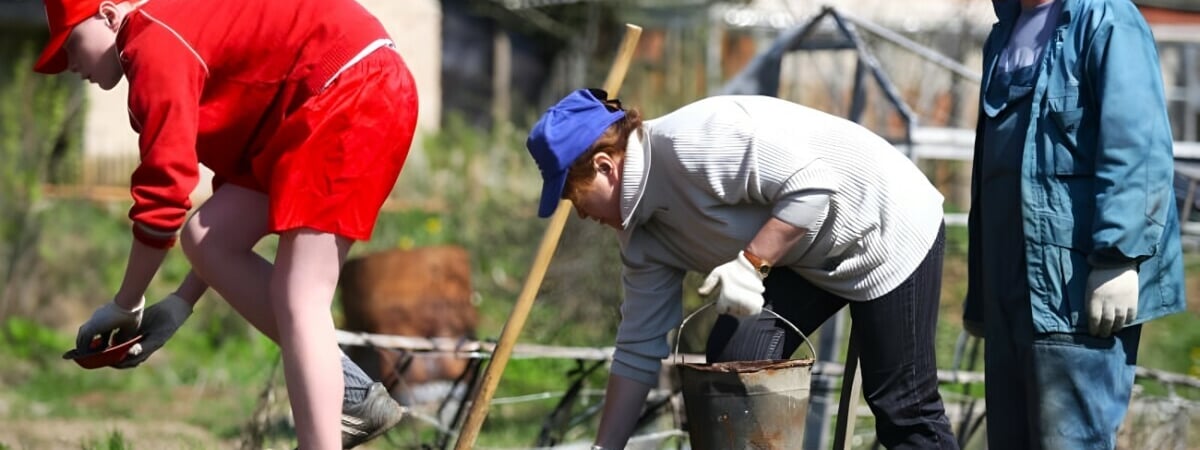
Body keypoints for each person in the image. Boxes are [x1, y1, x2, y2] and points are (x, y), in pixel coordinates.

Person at [34, 0, 419, 447]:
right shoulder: (168, 32)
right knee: (207, 238)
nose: (70, 64)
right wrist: (180, 303)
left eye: (71, 43)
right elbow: (215, 198)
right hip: (310, 105)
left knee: (299, 294)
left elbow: (163, 201)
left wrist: (125, 304)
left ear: (108, 14)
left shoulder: (152, 43)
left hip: (351, 88)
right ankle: (350, 393)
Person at [526, 89, 958, 449]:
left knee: (902, 408)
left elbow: (814, 186)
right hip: (807, 256)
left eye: (572, 195)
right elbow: (638, 348)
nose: (579, 213)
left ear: (604, 167)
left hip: (883, 219)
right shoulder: (640, 236)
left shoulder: (695, 141)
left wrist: (751, 264)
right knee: (736, 362)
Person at [963, 0, 1187, 448]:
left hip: (1073, 287)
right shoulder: (1004, 33)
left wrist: (1119, 257)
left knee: (1069, 441)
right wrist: (982, 294)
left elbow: (1137, 144)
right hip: (1009, 289)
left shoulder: (1108, 21)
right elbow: (992, 171)